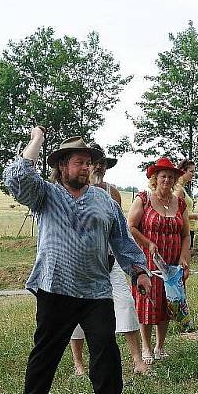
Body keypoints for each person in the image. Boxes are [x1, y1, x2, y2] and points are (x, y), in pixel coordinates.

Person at [4, 128, 151, 394]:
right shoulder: (45, 195)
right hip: (55, 287)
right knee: (46, 353)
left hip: (96, 290)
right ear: (62, 166)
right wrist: (36, 140)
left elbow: (122, 240)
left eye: (88, 163)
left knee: (106, 352)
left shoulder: (103, 200)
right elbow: (16, 178)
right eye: (79, 162)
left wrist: (138, 270)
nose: (86, 168)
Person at [69, 144, 149, 376]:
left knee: (125, 303)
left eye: (104, 164)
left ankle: (137, 359)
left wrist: (134, 266)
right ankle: (79, 364)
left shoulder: (111, 192)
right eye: (96, 163)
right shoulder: (71, 191)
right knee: (75, 310)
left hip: (110, 260)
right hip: (80, 263)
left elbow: (118, 230)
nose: (100, 168)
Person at [128, 157, 191, 363]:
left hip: (171, 263)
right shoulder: (143, 199)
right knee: (147, 303)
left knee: (167, 302)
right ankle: (146, 347)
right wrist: (147, 243)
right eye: (163, 176)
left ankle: (160, 346)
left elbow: (185, 235)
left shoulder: (180, 203)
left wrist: (184, 257)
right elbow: (131, 226)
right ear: (155, 178)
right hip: (148, 261)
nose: (167, 180)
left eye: (171, 177)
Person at [174, 159, 198, 249]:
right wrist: (197, 216)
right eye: (191, 171)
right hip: (184, 230)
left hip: (188, 229)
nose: (193, 174)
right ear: (182, 171)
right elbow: (176, 214)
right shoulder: (178, 190)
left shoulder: (182, 188)